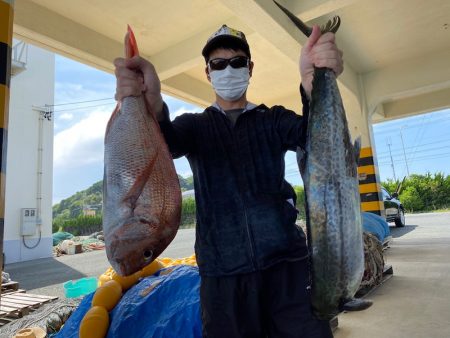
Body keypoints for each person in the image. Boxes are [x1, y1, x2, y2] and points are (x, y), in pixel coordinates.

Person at [115, 23, 343, 338]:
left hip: (288, 268)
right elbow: (162, 142)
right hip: (223, 279)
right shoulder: (193, 127)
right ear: (208, 73)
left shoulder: (273, 119)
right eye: (218, 64)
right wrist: (151, 104)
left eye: (237, 62)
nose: (228, 69)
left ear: (249, 68)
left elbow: (315, 138)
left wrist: (312, 87)